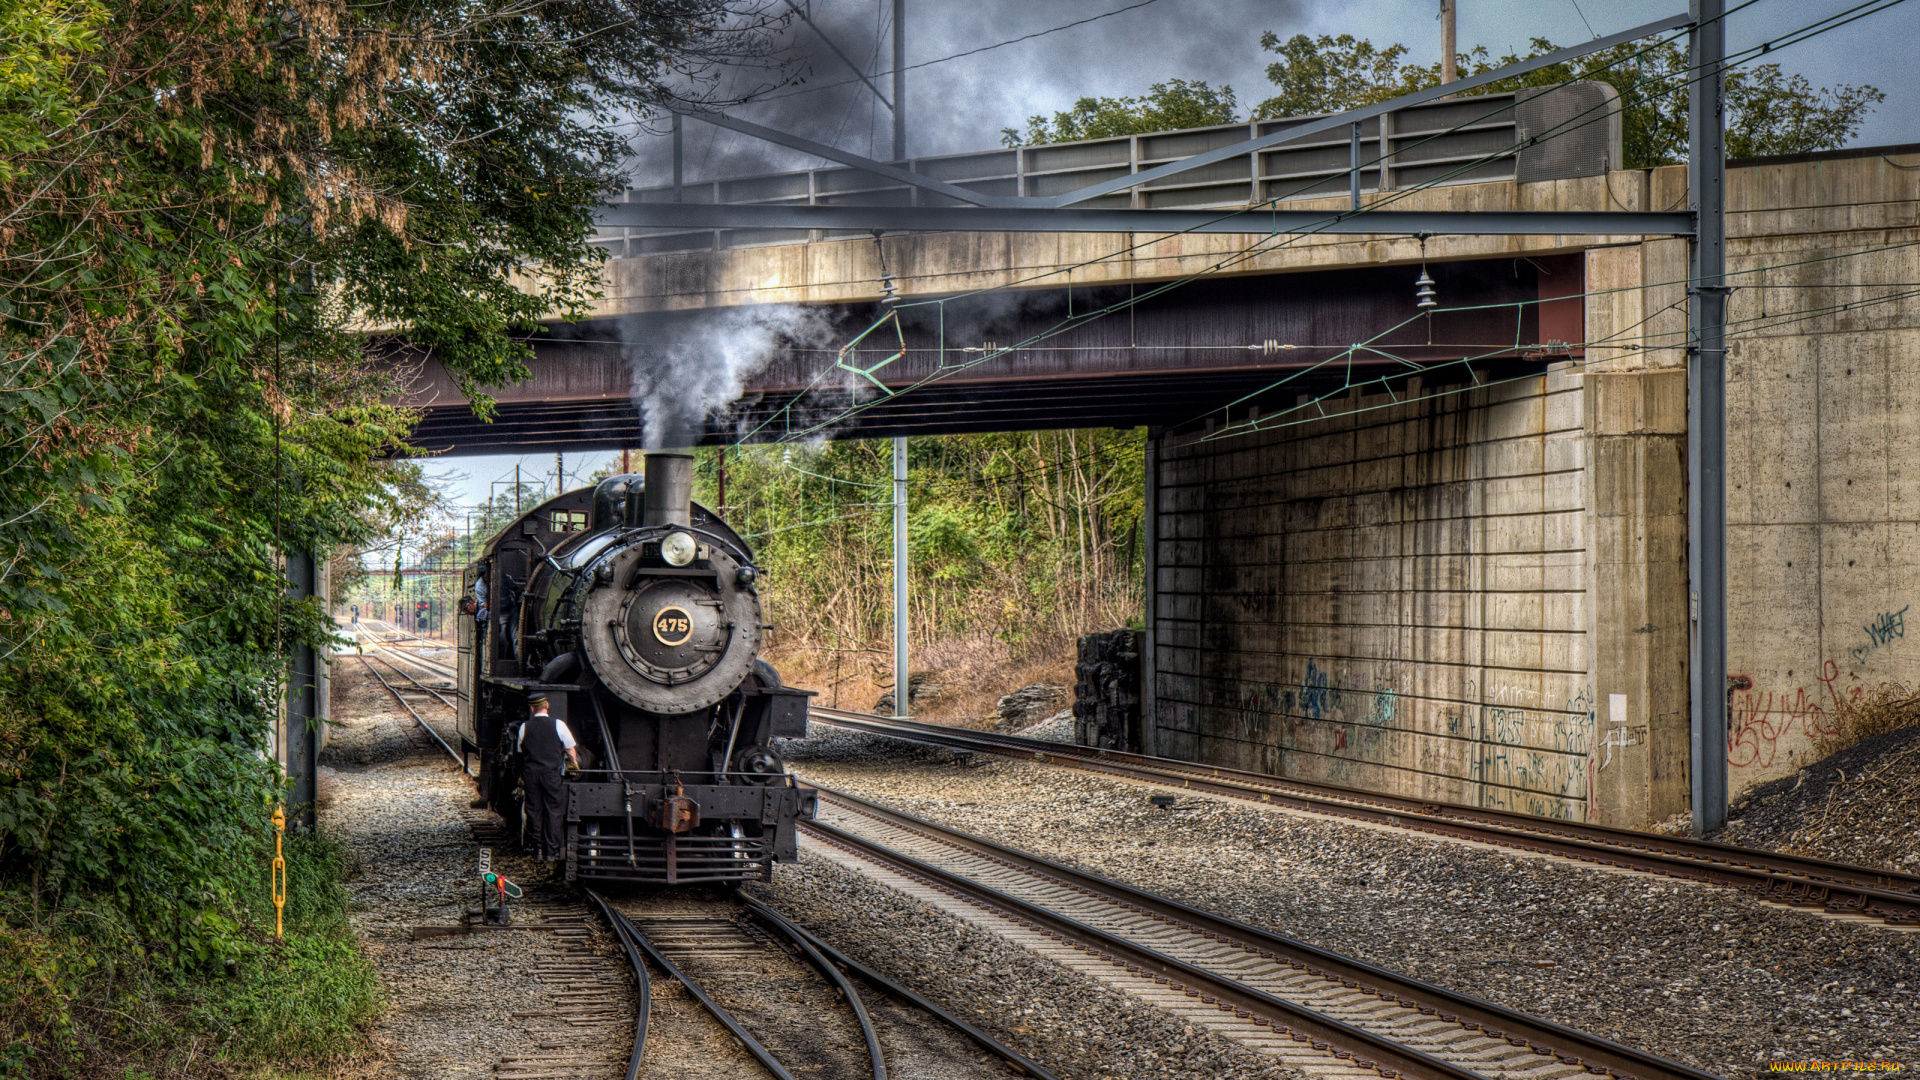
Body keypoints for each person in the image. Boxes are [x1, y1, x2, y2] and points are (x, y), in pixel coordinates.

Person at [517, 693, 578, 866]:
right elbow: (570, 749)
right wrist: (573, 764)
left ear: (532, 708)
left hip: (531, 775)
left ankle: (537, 848)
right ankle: (551, 851)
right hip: (551, 775)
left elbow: (520, 752)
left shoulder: (524, 727)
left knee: (534, 810)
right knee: (553, 811)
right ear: (547, 706)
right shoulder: (559, 725)